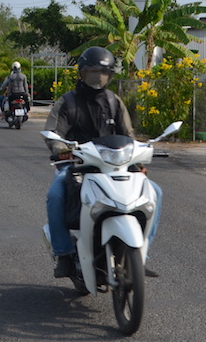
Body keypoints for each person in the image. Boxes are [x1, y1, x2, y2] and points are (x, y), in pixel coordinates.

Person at [42, 46, 160, 278]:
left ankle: (141, 254)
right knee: (56, 194)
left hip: (114, 166)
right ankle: (64, 253)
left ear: (110, 76)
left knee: (155, 192)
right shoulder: (67, 102)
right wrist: (62, 150)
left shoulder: (114, 102)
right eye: (93, 73)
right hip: (77, 164)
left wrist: (137, 159)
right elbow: (53, 132)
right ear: (82, 74)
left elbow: (129, 136)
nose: (98, 79)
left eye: (103, 74)